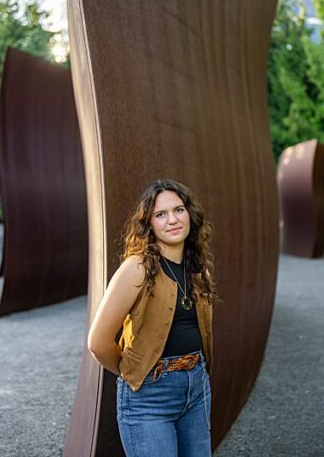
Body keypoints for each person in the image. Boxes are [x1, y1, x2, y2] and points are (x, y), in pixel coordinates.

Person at [87, 179, 218, 456]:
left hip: (196, 388)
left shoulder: (198, 271)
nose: (172, 220)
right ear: (149, 223)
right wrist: (136, 371)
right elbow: (98, 342)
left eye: (178, 210)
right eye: (161, 214)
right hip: (149, 396)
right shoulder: (137, 268)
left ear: (190, 215)